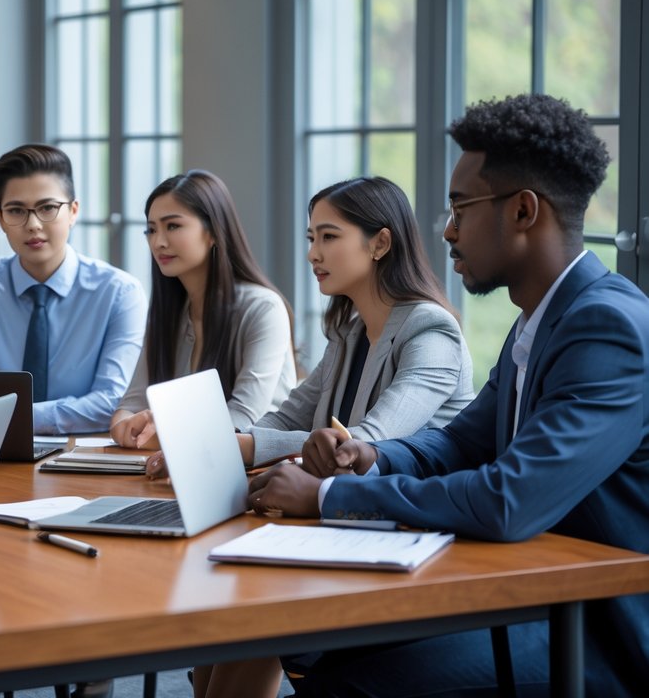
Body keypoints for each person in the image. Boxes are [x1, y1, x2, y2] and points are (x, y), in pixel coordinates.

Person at [251, 94, 649, 695]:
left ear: (522, 211)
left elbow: (509, 498)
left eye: (461, 207)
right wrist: (374, 457)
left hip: (601, 627)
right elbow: (460, 442)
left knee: (355, 681)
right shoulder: (538, 320)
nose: (447, 230)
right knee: (317, 644)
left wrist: (331, 494)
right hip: (532, 585)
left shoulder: (606, 327)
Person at [174, 176, 477, 698]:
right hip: (349, 523)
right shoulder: (350, 328)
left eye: (328, 237)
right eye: (310, 238)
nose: (313, 253)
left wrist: (250, 448)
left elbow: (362, 446)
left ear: (380, 243)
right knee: (226, 600)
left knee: (251, 602)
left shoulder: (432, 332)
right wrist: (218, 444)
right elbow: (291, 414)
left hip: (413, 536)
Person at [0, 144, 147, 434]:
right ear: (0, 219)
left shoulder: (119, 293)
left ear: (73, 211)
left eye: (48, 208)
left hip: (84, 459)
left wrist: (14, 417)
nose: (33, 224)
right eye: (16, 211)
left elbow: (113, 401)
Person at [109, 170, 297, 447]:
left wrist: (160, 434)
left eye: (173, 226)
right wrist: (123, 428)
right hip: (181, 462)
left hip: (257, 469)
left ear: (214, 233)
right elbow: (132, 402)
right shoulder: (169, 310)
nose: (158, 241)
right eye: (151, 229)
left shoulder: (263, 308)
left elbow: (241, 418)